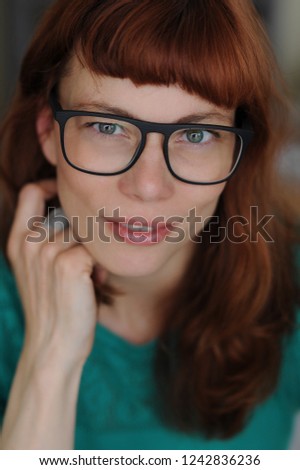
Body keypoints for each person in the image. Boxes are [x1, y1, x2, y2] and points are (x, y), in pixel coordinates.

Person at [0, 0, 299, 451]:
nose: (148, 186)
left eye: (195, 135)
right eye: (107, 127)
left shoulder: (290, 288)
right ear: (48, 130)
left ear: (238, 153)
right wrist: (50, 357)